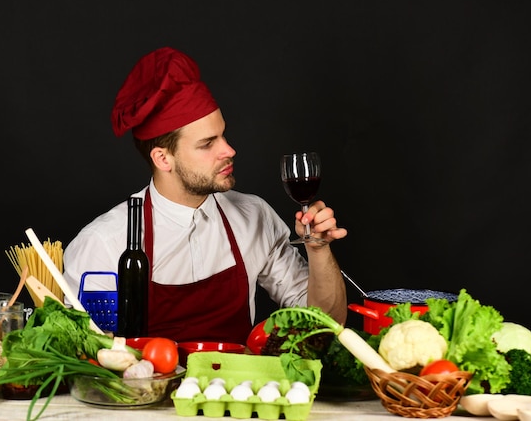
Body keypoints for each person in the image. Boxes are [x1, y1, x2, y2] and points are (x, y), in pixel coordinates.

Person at [63, 46, 348, 345]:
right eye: (207, 143)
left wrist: (318, 250)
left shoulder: (254, 216)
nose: (229, 150)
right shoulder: (103, 243)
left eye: (223, 135)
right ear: (163, 159)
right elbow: (81, 354)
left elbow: (322, 327)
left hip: (241, 391)